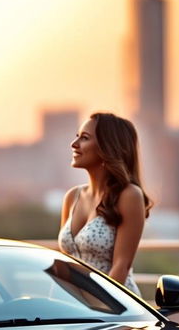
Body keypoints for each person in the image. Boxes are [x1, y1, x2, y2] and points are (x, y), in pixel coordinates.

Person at [58, 112, 153, 295]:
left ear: (108, 147)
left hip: (113, 305)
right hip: (72, 304)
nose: (74, 144)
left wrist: (95, 306)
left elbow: (122, 265)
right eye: (77, 136)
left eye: (84, 138)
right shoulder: (72, 197)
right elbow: (64, 262)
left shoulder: (129, 195)